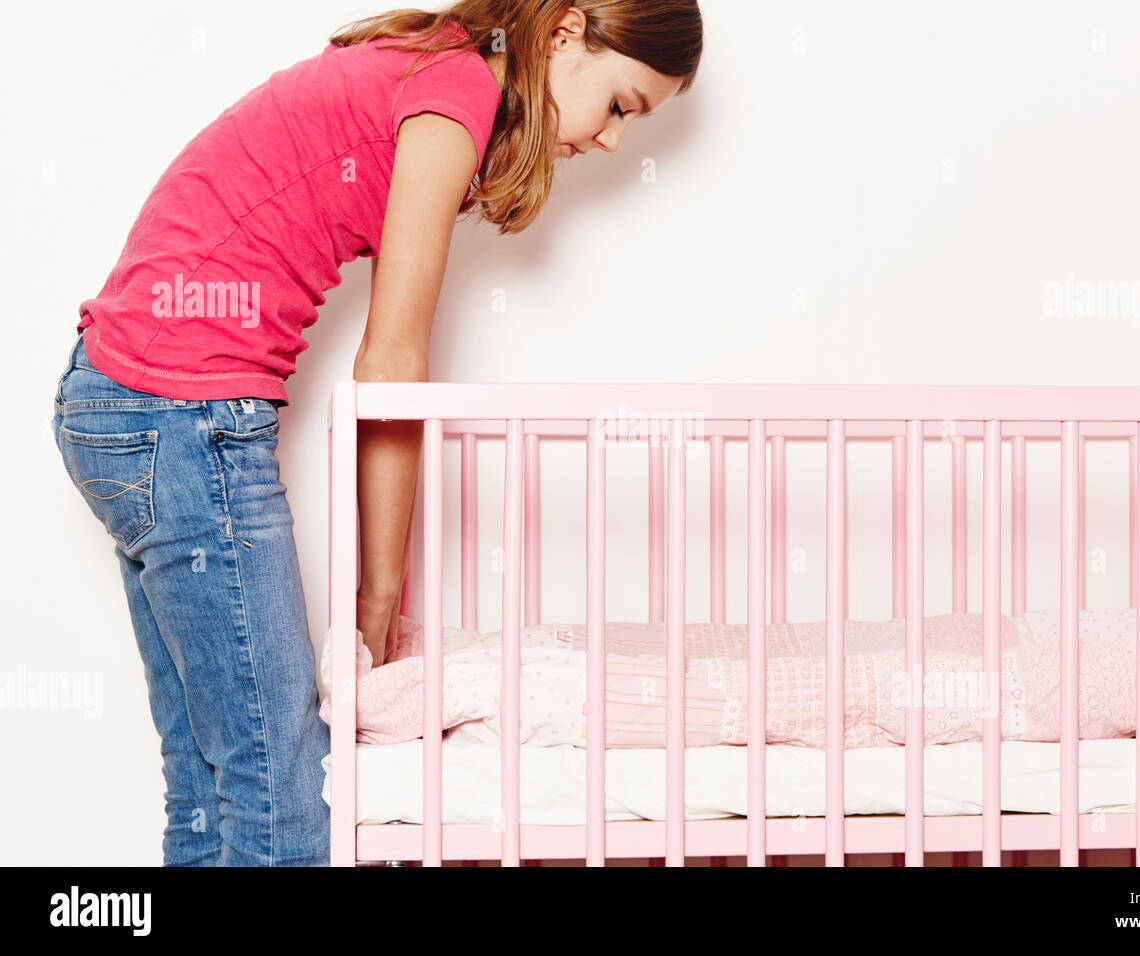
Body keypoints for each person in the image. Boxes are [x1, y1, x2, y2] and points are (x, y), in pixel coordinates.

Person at [50, 1, 703, 866]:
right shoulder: (455, 92)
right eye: (623, 105)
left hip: (117, 399)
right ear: (566, 32)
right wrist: (378, 597)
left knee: (213, 789)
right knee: (283, 794)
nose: (615, 140)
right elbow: (392, 364)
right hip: (182, 411)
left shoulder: (429, 58)